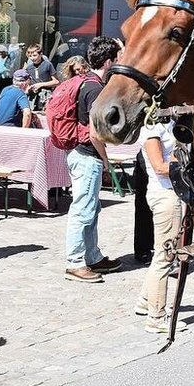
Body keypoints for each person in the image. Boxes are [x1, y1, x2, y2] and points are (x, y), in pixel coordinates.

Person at [64, 36, 120, 282]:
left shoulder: (85, 82)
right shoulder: (96, 88)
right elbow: (95, 132)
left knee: (91, 208)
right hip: (87, 155)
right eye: (117, 59)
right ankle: (76, 262)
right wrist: (105, 159)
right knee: (83, 210)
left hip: (79, 153)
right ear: (108, 62)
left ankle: (93, 256)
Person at [136, 120, 183, 333]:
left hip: (168, 193)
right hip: (165, 194)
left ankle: (145, 301)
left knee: (161, 256)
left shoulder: (168, 125)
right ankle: (156, 316)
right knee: (165, 257)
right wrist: (182, 157)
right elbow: (160, 167)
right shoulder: (151, 130)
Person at [22, 44, 57, 110]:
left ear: (41, 54)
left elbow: (56, 82)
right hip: (33, 96)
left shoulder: (47, 65)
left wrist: (40, 85)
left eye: (35, 55)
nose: (32, 58)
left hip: (45, 95)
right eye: (30, 56)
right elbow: (28, 82)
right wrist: (28, 89)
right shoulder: (29, 68)